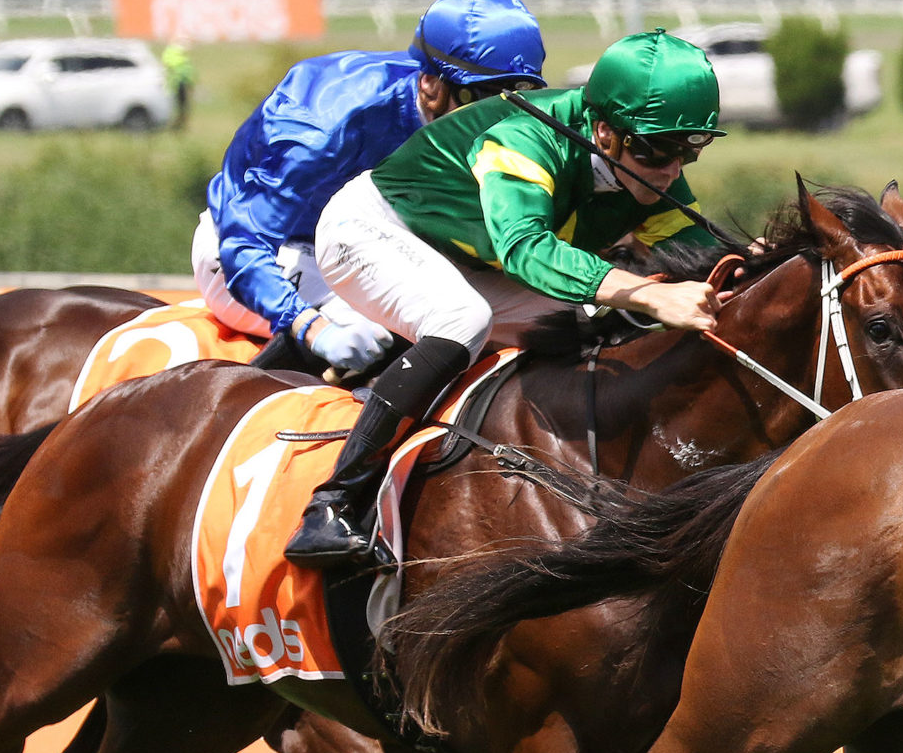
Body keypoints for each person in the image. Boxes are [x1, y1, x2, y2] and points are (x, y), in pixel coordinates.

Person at [282, 28, 728, 568]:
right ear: (604, 132)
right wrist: (646, 294)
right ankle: (333, 503)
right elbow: (525, 249)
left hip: (466, 258)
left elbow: (703, 255)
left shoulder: (646, 164)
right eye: (655, 150)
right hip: (373, 230)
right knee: (464, 317)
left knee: (600, 319)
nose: (671, 169)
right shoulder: (525, 138)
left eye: (688, 151)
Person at [192, 0, 548, 373]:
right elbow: (244, 244)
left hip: (371, 246)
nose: (494, 119)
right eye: (479, 98)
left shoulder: (468, 104)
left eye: (515, 100)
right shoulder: (325, 123)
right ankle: (261, 391)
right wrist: (313, 328)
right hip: (258, 254)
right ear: (430, 84)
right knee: (413, 321)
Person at [160, 41, 197, 128]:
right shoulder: (182, 59)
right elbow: (186, 73)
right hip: (179, 84)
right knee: (182, 107)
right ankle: (178, 124)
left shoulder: (168, 56)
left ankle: (175, 124)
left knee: (174, 106)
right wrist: (191, 84)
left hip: (171, 85)